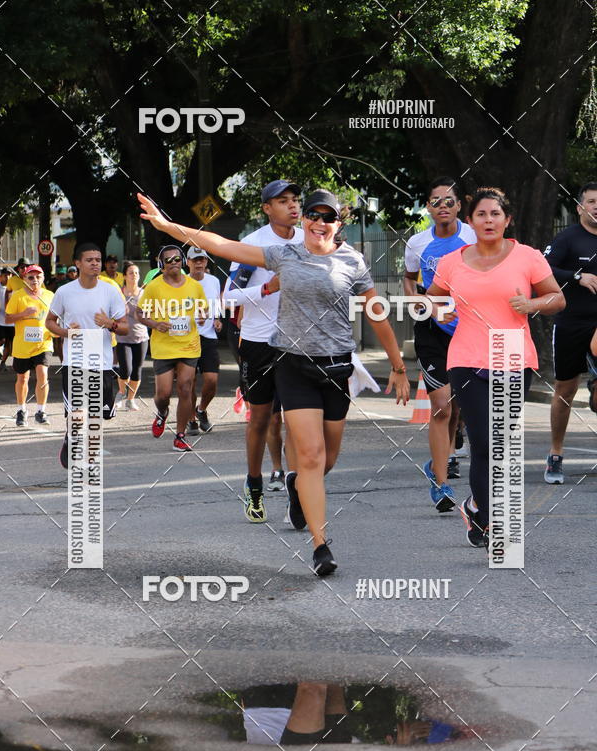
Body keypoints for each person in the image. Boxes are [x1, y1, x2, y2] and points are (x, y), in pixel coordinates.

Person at [138, 188, 409, 575]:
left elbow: (377, 311)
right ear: (305, 221)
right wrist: (168, 227)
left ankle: (300, 486)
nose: (317, 221)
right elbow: (220, 244)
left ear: (338, 224)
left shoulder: (353, 261)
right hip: (292, 363)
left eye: (327, 216)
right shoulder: (286, 254)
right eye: (312, 215)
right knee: (311, 454)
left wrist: (398, 366)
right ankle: (320, 546)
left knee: (327, 459)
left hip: (335, 369)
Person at [427, 187, 565, 549]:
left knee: (500, 446)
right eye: (481, 214)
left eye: (495, 214)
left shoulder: (528, 257)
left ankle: (476, 508)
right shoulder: (453, 261)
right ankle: (493, 525)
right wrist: (442, 311)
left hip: (512, 355)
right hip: (467, 357)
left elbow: (558, 299)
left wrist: (531, 302)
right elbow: (430, 301)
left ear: (508, 220)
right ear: (469, 221)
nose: (489, 220)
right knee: (484, 443)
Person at [222, 179, 304, 520]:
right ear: (267, 209)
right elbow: (228, 298)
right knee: (260, 419)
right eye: (282, 201)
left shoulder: (309, 241)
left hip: (300, 342)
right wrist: (268, 288)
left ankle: (298, 493)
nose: (293, 206)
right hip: (258, 344)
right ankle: (254, 485)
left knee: (299, 421)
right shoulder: (252, 246)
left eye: (295, 199)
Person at [404, 176, 477, 512]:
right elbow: (409, 280)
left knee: (457, 407)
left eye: (449, 200)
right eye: (436, 201)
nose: (443, 206)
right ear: (428, 207)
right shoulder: (418, 243)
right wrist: (425, 306)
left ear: (459, 205)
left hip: (468, 329)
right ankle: (441, 481)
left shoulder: (473, 237)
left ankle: (440, 460)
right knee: (442, 406)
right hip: (431, 331)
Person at [45, 243, 128, 468]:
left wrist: (110, 323)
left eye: (98, 260)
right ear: (78, 263)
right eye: (90, 260)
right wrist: (65, 332)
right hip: (74, 361)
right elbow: (49, 321)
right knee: (78, 412)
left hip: (102, 362)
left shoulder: (110, 290)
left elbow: (125, 327)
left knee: (95, 415)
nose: (95, 263)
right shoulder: (65, 292)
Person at [543, 182, 597, 483]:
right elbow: (543, 269)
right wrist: (577, 276)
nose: (596, 207)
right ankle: (555, 453)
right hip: (570, 323)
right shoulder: (567, 239)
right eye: (591, 202)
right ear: (580, 208)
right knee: (565, 390)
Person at [138, 245, 207, 451]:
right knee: (163, 394)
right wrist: (155, 324)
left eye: (177, 259)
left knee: (186, 388)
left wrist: (202, 317)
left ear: (183, 261)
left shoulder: (195, 286)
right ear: (161, 265)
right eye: (168, 260)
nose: (173, 263)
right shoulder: (154, 287)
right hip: (163, 347)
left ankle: (180, 435)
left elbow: (203, 310)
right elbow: (139, 314)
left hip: (189, 345)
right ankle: (162, 413)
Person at [5, 265, 53, 425]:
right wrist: (23, 314)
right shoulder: (18, 296)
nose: (35, 280)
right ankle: (21, 410)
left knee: (43, 375)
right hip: (22, 345)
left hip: (43, 343)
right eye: (31, 277)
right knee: (23, 378)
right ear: (24, 279)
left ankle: (41, 411)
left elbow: (56, 317)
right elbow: (7, 319)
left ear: (43, 278)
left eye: (38, 277)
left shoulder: (49, 295)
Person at [185, 246, 222, 434]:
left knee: (212, 380)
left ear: (206, 262)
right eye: (195, 260)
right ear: (188, 262)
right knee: (189, 381)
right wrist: (192, 318)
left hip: (208, 337)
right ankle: (191, 419)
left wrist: (216, 319)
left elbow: (217, 305)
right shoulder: (181, 283)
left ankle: (201, 410)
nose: (199, 263)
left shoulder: (214, 281)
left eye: (202, 260)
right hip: (187, 338)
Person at [115, 261, 149, 410]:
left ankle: (131, 399)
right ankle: (121, 393)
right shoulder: (119, 294)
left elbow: (151, 314)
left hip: (141, 337)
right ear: (124, 276)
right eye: (131, 273)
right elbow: (111, 314)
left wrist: (142, 314)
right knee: (126, 369)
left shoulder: (145, 294)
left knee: (137, 370)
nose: (134, 275)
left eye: (136, 273)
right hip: (123, 337)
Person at [0, 268, 15, 371]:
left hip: (11, 322)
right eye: (5, 275)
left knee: (9, 343)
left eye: (9, 275)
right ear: (1, 276)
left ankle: (3, 363)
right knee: (1, 341)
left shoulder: (14, 288)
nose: (7, 277)